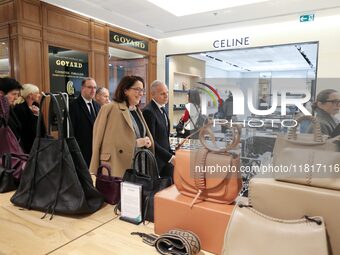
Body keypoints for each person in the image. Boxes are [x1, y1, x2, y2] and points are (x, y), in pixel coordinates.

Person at [90, 75, 154, 177]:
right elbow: (99, 140)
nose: (141, 93)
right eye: (137, 89)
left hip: (138, 164)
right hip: (116, 165)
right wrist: (136, 143)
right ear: (125, 90)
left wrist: (147, 140)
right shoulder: (109, 108)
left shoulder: (137, 111)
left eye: (142, 90)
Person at [143, 80, 174, 179]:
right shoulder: (149, 111)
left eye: (167, 93)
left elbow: (164, 136)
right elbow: (152, 141)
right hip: (157, 161)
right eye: (162, 94)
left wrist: (171, 153)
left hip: (166, 159)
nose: (166, 96)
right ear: (153, 94)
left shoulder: (162, 109)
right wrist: (170, 157)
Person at [69, 77, 100, 167]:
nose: (93, 90)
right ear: (82, 88)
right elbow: (70, 131)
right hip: (80, 151)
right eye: (90, 87)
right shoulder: (73, 105)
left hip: (95, 150)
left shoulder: (97, 106)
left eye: (95, 88)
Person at [13, 84, 46, 153]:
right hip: (26, 146)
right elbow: (27, 128)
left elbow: (41, 126)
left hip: (37, 144)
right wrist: (34, 115)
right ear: (30, 95)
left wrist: (38, 114)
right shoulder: (19, 108)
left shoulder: (36, 106)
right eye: (37, 93)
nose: (39, 95)